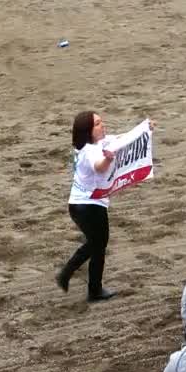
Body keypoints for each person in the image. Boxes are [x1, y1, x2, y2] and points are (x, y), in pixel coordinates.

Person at [57, 110, 120, 302]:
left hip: (80, 205)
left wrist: (145, 130)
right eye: (98, 123)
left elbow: (119, 138)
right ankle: (70, 275)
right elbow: (99, 166)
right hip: (89, 206)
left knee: (97, 244)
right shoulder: (89, 151)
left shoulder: (92, 144)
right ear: (88, 130)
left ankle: (92, 287)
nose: (103, 125)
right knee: (97, 244)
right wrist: (108, 159)